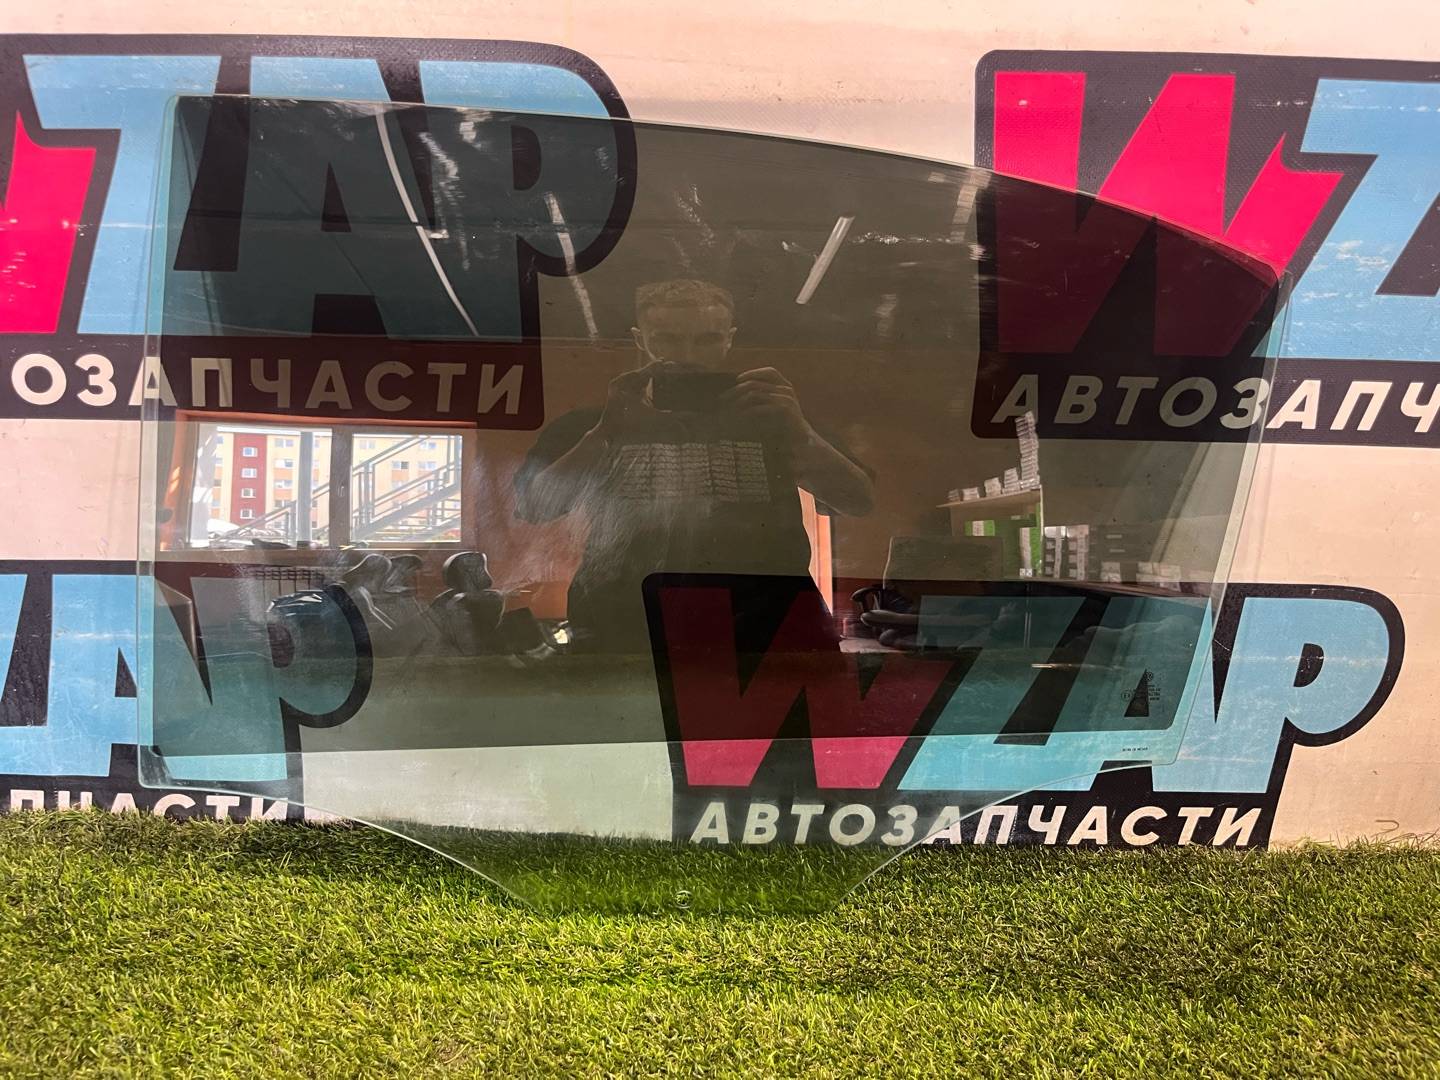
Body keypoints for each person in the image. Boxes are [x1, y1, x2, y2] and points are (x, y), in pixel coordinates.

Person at [514, 279, 874, 653]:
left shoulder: (770, 416)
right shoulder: (599, 422)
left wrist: (800, 432)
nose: (686, 355)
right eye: (667, 339)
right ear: (640, 339)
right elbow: (533, 507)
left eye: (706, 339)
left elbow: (857, 500)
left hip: (766, 618)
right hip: (628, 619)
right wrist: (606, 432)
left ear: (728, 339)